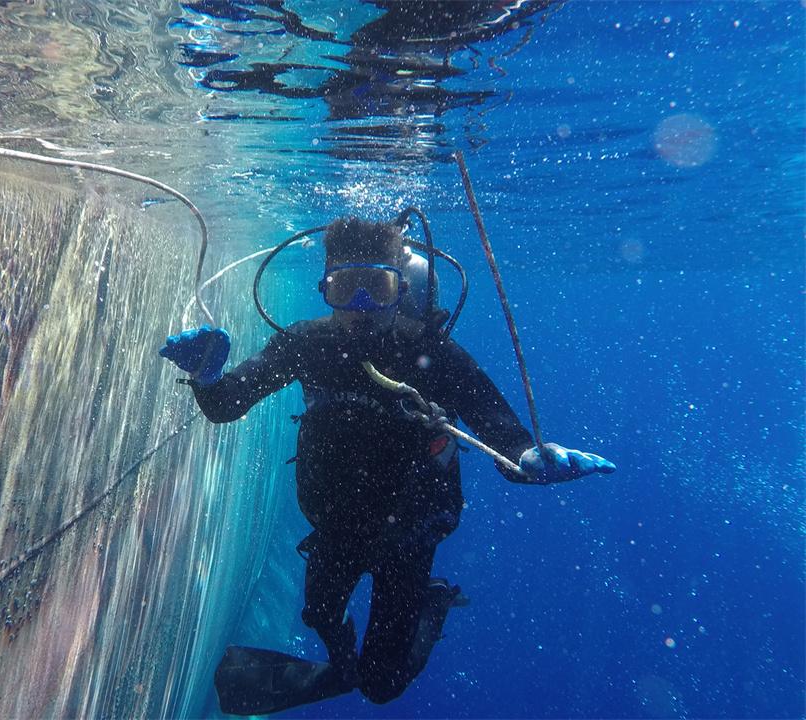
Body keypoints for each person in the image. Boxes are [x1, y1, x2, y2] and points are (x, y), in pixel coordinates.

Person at [160, 217, 615, 714]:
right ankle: (341, 670)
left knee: (382, 686)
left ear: (400, 289)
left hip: (409, 534)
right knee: (320, 615)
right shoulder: (307, 344)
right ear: (325, 288)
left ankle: (428, 606)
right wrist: (206, 376)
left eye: (376, 288)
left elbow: (498, 429)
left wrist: (528, 456)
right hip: (335, 524)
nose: (360, 307)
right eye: (345, 288)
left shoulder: (432, 352)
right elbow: (227, 404)